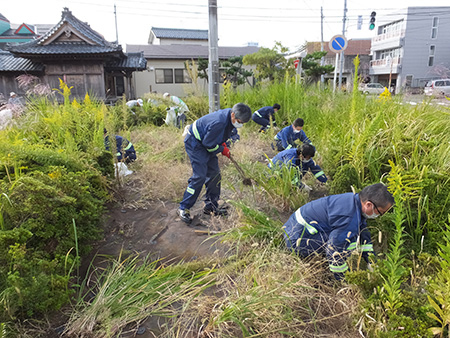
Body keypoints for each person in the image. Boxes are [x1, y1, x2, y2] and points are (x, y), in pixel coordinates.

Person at [283, 183, 394, 280]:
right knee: (348, 239)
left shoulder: (353, 201)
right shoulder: (348, 218)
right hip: (297, 240)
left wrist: (371, 260)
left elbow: (363, 231)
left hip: (294, 228)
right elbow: (335, 250)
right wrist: (345, 280)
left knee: (352, 234)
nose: (379, 216)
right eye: (381, 212)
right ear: (368, 205)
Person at [177, 103, 252, 223]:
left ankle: (211, 206)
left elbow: (222, 135)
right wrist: (222, 149)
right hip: (195, 143)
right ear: (233, 115)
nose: (240, 124)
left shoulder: (230, 117)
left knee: (215, 175)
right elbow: (208, 144)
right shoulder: (219, 122)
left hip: (207, 142)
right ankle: (184, 208)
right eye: (239, 121)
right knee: (199, 177)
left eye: (242, 123)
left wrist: (223, 143)